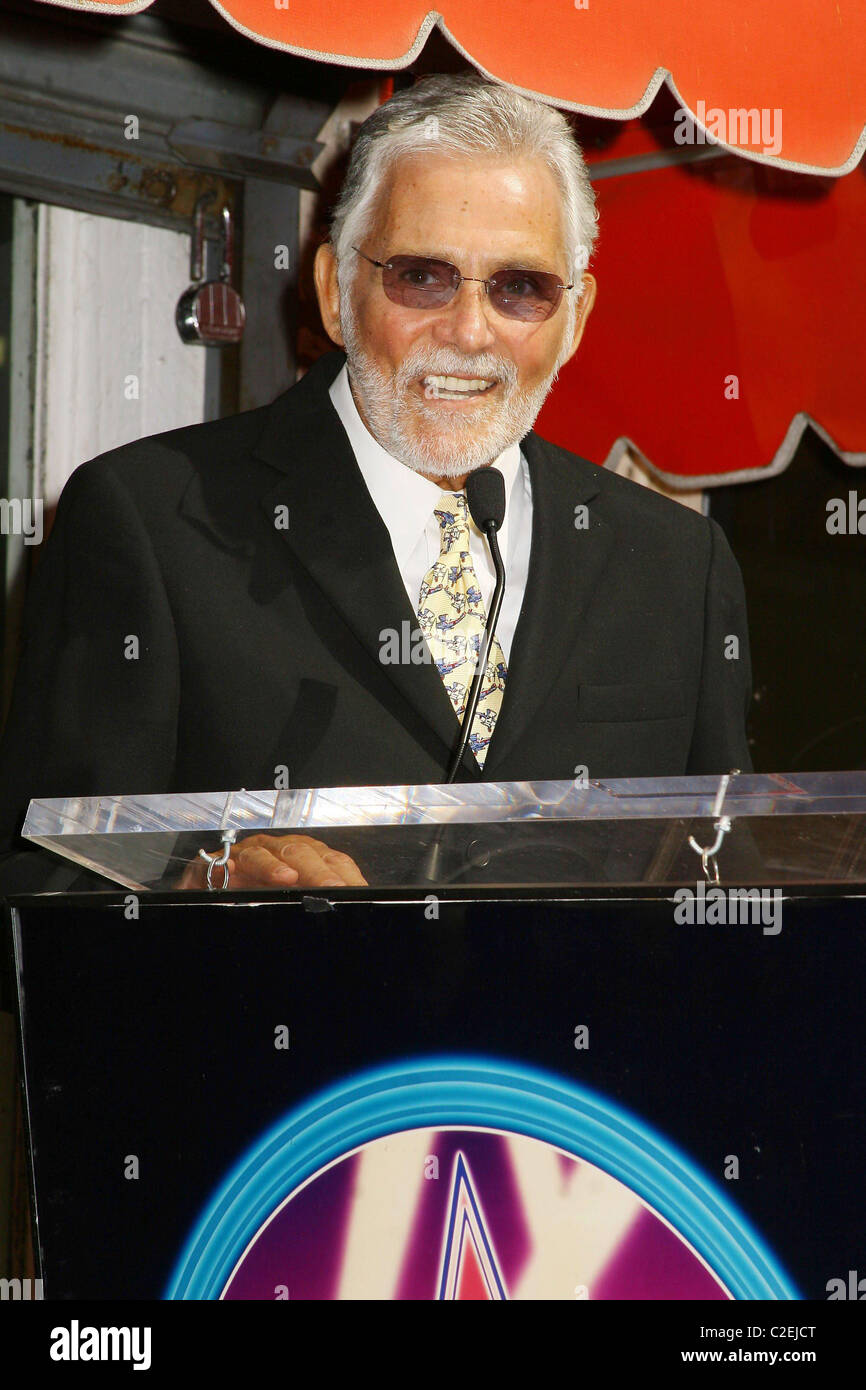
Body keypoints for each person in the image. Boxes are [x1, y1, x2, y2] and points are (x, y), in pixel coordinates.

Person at [0, 74, 752, 894]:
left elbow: (728, 882)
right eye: (421, 277)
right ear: (333, 292)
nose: (469, 332)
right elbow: (37, 887)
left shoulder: (678, 564)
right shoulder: (150, 519)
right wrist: (199, 889)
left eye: (520, 287)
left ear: (573, 320)